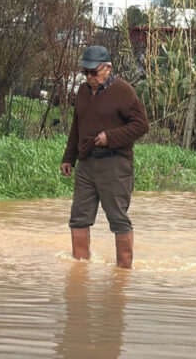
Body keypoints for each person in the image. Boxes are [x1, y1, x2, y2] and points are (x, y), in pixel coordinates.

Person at [60, 45, 149, 269]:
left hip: (115, 163)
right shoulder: (81, 93)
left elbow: (141, 125)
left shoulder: (124, 91)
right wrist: (68, 157)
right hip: (86, 163)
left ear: (108, 68)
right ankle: (79, 271)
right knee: (78, 218)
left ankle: (123, 274)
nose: (89, 77)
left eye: (94, 72)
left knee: (118, 219)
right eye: (86, 72)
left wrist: (110, 137)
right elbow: (76, 127)